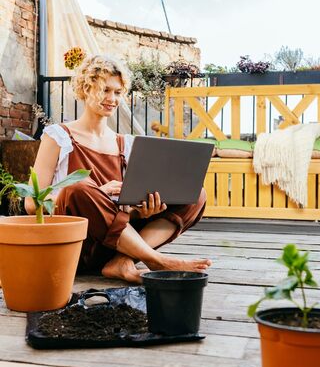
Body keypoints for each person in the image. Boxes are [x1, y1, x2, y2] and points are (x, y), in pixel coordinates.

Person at [25, 55, 211, 284]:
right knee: (78, 188)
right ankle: (156, 260)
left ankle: (123, 261)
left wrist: (142, 210)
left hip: (116, 245)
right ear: (85, 88)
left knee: (195, 194)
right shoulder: (59, 136)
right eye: (105, 90)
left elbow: (123, 209)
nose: (112, 99)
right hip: (79, 246)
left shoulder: (126, 144)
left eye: (117, 92)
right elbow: (32, 203)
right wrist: (99, 192)